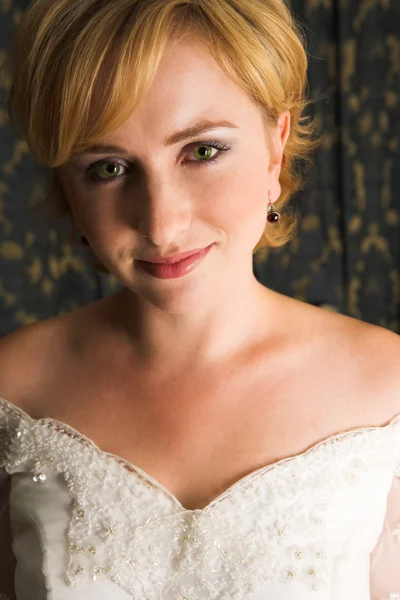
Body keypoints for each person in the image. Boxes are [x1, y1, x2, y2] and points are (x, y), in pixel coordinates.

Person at [0, 0, 400, 598]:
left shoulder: (386, 388)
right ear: (67, 184)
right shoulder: (11, 389)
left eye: (202, 151)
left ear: (275, 143)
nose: (161, 224)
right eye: (108, 168)